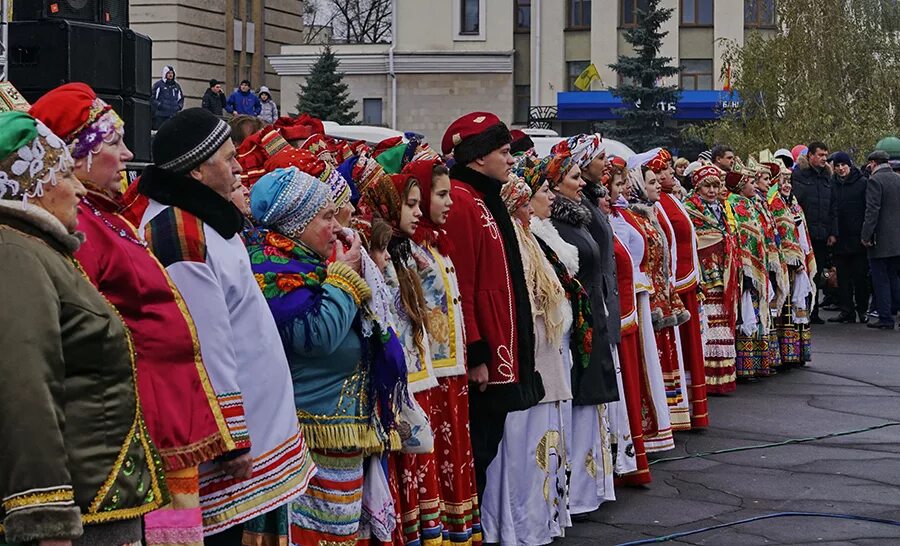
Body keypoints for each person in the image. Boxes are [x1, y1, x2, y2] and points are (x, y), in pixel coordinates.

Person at [31, 83, 236, 546]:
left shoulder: (105, 215)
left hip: (164, 418)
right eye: (113, 143)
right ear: (76, 155)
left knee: (177, 530)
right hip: (135, 425)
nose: (127, 155)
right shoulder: (79, 225)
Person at [123, 108, 315, 541]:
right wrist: (230, 438)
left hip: (246, 424)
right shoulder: (177, 232)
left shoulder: (205, 220)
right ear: (196, 170)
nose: (238, 165)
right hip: (216, 443)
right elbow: (201, 343)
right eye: (228, 159)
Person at [0, 111, 167, 545]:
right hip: (79, 515)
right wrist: (46, 518)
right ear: (29, 185)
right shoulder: (16, 254)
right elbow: (26, 388)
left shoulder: (39, 250)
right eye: (61, 172)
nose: (77, 187)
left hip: (96, 501)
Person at [247, 166, 378, 545]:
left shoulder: (310, 265)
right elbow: (317, 335)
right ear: (295, 223)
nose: (338, 227)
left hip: (335, 438)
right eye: (326, 217)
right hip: (304, 438)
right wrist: (344, 278)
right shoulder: (273, 270)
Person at [440, 112, 544, 501]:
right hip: (486, 361)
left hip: (501, 351)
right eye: (504, 152)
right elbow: (462, 285)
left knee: (486, 449)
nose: (511, 159)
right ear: (479, 157)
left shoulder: (483, 199)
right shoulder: (464, 203)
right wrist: (476, 354)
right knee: (478, 451)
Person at [482, 173, 574, 544]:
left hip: (542, 353)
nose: (527, 212)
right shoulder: (509, 243)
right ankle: (516, 526)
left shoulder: (528, 239)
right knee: (519, 452)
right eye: (521, 205)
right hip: (525, 357)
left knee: (542, 448)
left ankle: (539, 522)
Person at [404, 158, 482, 545]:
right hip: (430, 374)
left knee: (455, 454)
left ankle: (457, 530)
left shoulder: (437, 244)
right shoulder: (412, 251)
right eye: (441, 195)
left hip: (451, 370)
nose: (449, 202)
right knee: (436, 456)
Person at [546, 151, 619, 515]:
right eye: (574, 177)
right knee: (580, 404)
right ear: (555, 183)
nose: (581, 184)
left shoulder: (579, 217)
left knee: (591, 404)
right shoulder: (556, 226)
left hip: (593, 319)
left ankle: (588, 488)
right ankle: (575, 492)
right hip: (578, 326)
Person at [653, 150, 709, 428]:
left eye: (666, 169)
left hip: (685, 279)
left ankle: (688, 406)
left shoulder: (670, 198)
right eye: (661, 171)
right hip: (674, 282)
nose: (669, 173)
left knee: (688, 348)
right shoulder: (655, 203)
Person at [683, 166, 739, 393]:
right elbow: (694, 239)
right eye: (707, 186)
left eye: (716, 186)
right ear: (697, 188)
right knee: (709, 323)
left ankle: (722, 377)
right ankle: (705, 377)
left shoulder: (723, 209)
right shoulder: (690, 209)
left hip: (722, 271)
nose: (712, 190)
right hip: (705, 273)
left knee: (722, 322)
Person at [724, 169, 771, 380]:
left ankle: (756, 363)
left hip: (756, 265)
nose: (754, 185)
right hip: (746, 268)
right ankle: (745, 365)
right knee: (746, 313)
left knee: (756, 312)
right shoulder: (735, 204)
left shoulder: (750, 203)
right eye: (750, 182)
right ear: (740, 186)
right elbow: (741, 237)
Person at [767, 166, 816, 365]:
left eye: (789, 182)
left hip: (799, 260)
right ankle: (785, 355)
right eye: (783, 182)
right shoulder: (775, 204)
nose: (787, 186)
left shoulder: (794, 204)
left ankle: (798, 352)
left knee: (798, 306)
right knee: (784, 307)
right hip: (786, 264)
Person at [827, 152, 871, 323]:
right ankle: (847, 310)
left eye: (843, 165)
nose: (840, 169)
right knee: (842, 278)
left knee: (860, 277)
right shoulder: (832, 184)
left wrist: (866, 234)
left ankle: (862, 309)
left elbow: (868, 208)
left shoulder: (862, 183)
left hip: (857, 237)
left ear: (849, 165)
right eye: (837, 166)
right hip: (839, 237)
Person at [791, 141, 832, 323]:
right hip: (802, 233)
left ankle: (813, 311)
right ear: (810, 156)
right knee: (802, 272)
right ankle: (800, 310)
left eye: (826, 155)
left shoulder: (827, 177)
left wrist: (833, 232)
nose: (824, 159)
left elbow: (833, 207)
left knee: (817, 272)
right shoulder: (799, 174)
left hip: (822, 233)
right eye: (821, 155)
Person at [861, 150, 900, 329]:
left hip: (880, 240)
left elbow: (872, 211)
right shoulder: (898, 179)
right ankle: (894, 310)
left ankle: (885, 318)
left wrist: (866, 235)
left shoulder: (875, 181)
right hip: (897, 239)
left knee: (881, 279)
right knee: (894, 277)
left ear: (874, 163)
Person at [152, 64, 185, 129]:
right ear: (165, 74)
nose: (170, 75)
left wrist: (179, 107)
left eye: (172, 73)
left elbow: (181, 99)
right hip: (161, 116)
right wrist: (160, 105)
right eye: (169, 73)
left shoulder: (176, 86)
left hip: (173, 115)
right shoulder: (158, 85)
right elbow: (152, 98)